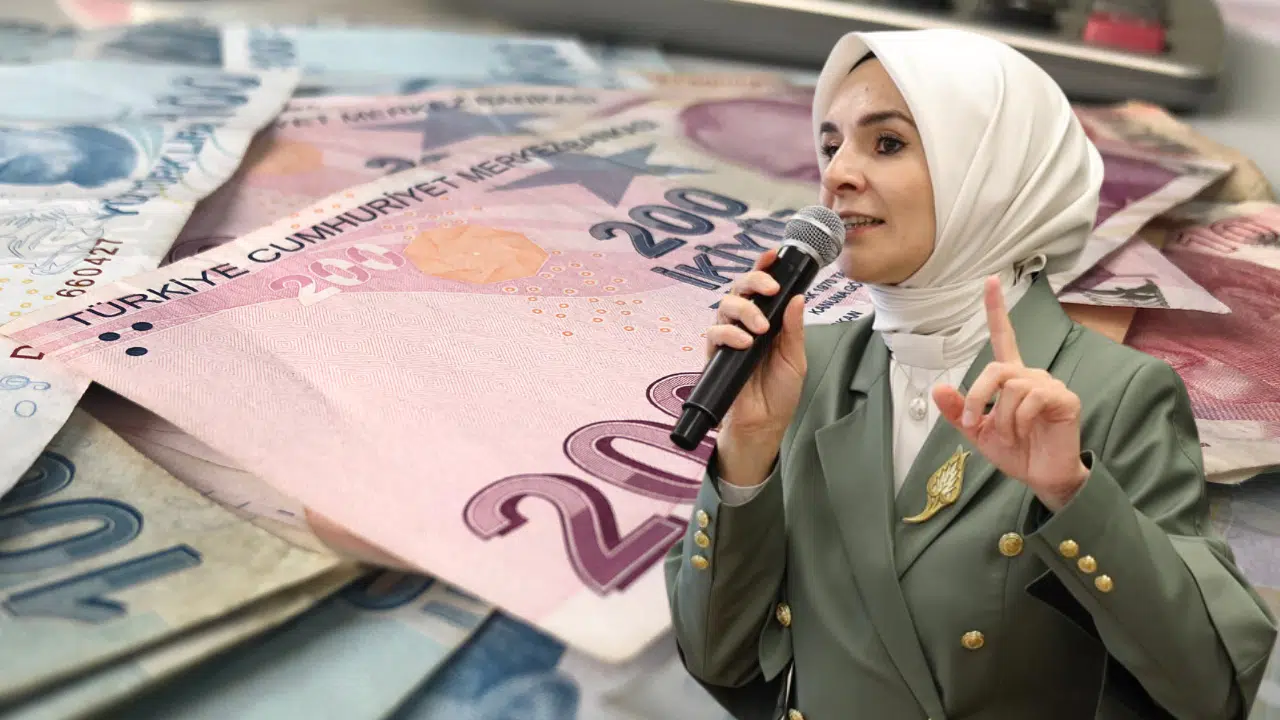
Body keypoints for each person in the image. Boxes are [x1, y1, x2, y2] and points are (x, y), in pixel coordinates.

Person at [665, 28, 1278, 720]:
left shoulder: (1114, 392)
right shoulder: (801, 367)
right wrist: (746, 449)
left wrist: (1072, 495)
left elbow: (1211, 694)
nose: (836, 175)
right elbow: (716, 658)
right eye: (831, 146)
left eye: (886, 143)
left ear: (993, 172)